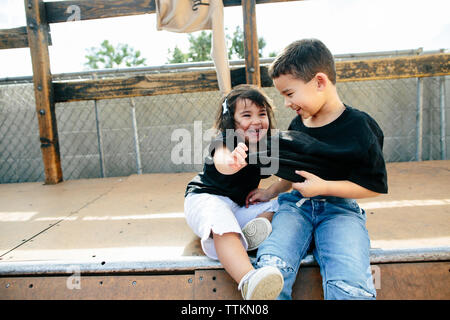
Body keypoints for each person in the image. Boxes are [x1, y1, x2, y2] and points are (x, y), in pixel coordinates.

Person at [255, 39, 388, 300]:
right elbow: (293, 172)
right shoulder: (298, 124)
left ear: (319, 82)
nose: (285, 103)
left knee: (349, 281)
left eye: (289, 94)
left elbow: (372, 185)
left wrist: (324, 188)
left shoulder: (359, 127)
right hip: (296, 207)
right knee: (272, 267)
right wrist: (271, 191)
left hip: (340, 211)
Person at [184, 84, 290, 300]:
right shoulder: (226, 141)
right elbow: (221, 160)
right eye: (247, 115)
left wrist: (270, 191)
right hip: (206, 198)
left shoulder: (266, 147)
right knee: (220, 219)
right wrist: (231, 162)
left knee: (282, 204)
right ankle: (249, 280)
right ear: (231, 122)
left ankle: (248, 235)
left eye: (262, 114)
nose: (257, 120)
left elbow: (288, 178)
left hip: (238, 206)